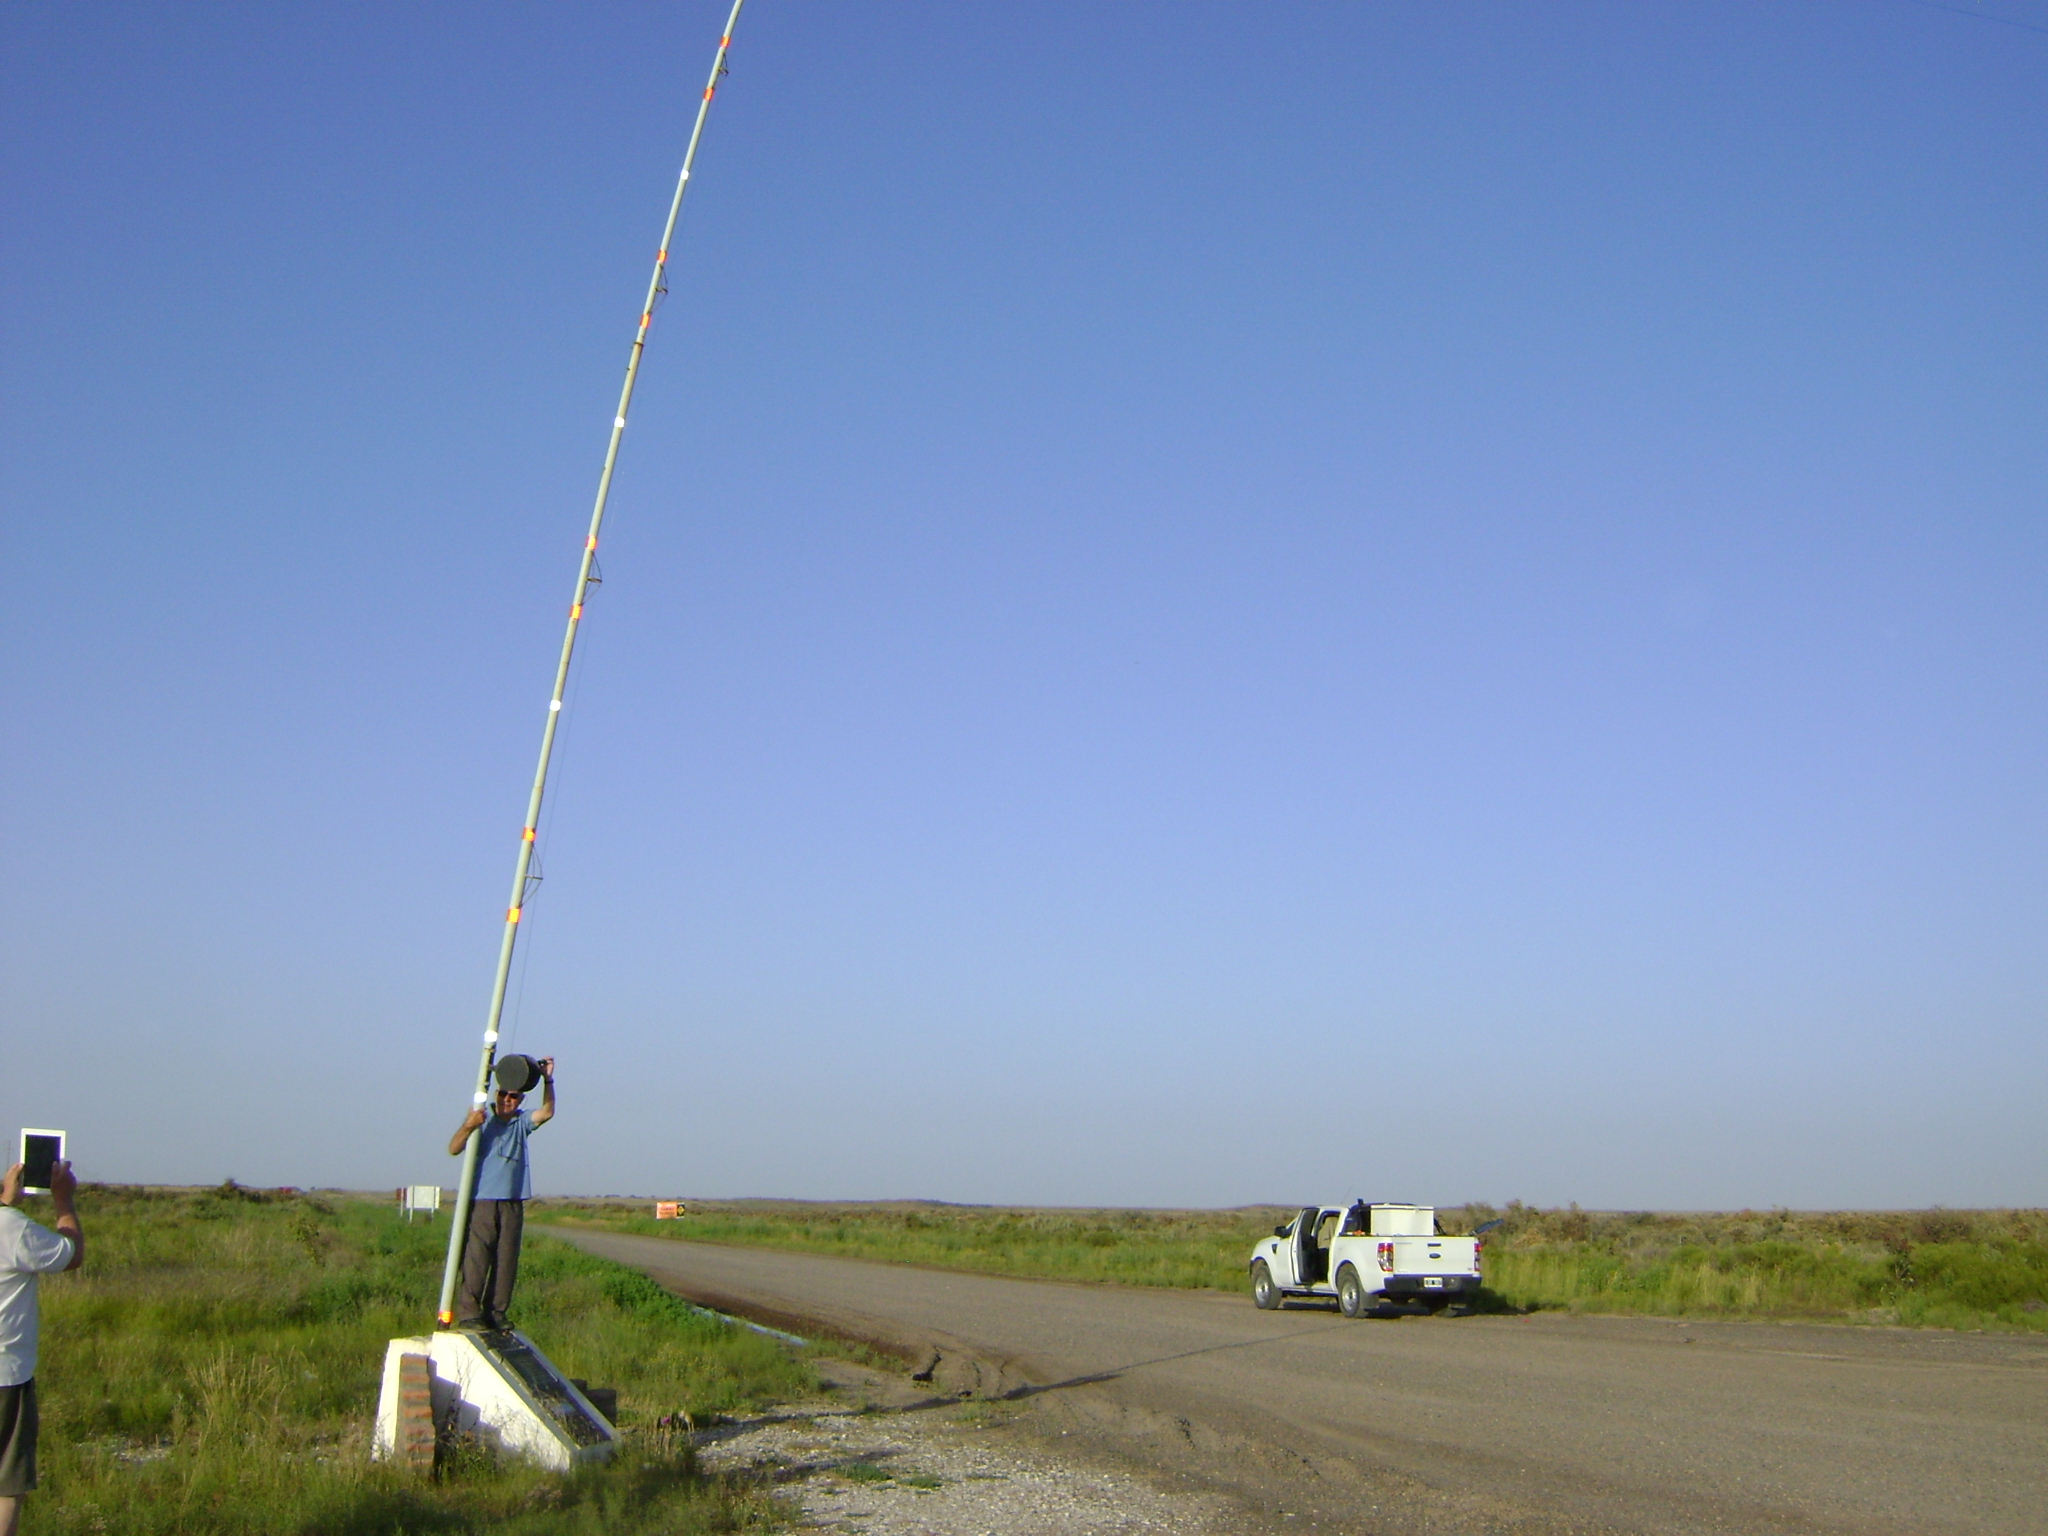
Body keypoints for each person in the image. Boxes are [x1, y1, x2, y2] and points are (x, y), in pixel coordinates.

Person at [1, 1158, 84, 1536]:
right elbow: (70, 1254)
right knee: (6, 1485)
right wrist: (63, 1201)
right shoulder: (11, 1229)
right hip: (6, 1375)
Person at [448, 1057, 553, 1330]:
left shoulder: (521, 1122)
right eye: (503, 1094)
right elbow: (454, 1147)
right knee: (477, 1258)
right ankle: (470, 1314)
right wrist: (470, 1125)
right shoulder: (481, 1117)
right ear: (496, 1093)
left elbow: (547, 1112)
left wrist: (547, 1079)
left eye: (514, 1096)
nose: (508, 1099)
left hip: (513, 1200)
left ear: (519, 1099)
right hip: (482, 1199)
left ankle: (496, 1312)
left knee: (506, 1260)